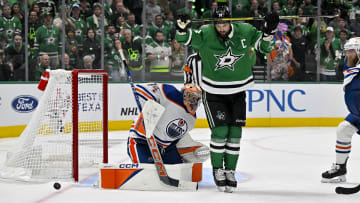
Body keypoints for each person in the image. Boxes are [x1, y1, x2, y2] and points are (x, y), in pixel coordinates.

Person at [175, 5, 278, 192]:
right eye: (218, 24)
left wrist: (268, 32)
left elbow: (265, 48)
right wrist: (182, 28)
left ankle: (230, 170)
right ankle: (217, 169)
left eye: (224, 24)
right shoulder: (206, 33)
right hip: (213, 91)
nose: (221, 28)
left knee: (235, 134)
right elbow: (184, 39)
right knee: (220, 131)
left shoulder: (245, 30)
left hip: (238, 90)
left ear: (230, 22)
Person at [127, 83, 209, 166]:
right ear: (185, 94)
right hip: (141, 142)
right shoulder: (169, 92)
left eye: (197, 99)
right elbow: (139, 89)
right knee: (146, 170)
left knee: (177, 171)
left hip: (166, 149)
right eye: (192, 97)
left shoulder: (192, 119)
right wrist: (148, 104)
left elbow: (177, 139)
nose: (194, 102)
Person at [321, 37, 360, 183]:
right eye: (347, 51)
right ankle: (340, 168)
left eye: (352, 51)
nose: (348, 55)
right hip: (357, 114)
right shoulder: (350, 67)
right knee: (343, 130)